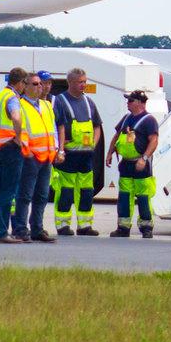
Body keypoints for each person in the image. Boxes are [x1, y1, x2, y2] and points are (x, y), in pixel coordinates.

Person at [52, 67, 104, 237]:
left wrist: (94, 145)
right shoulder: (59, 101)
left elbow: (97, 126)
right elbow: (54, 126)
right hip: (67, 157)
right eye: (80, 82)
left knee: (86, 191)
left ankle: (85, 226)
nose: (84, 85)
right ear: (70, 82)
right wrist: (59, 147)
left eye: (85, 81)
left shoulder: (89, 102)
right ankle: (63, 226)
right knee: (65, 192)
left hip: (86, 157)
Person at [0, 67, 30, 244]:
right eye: (25, 84)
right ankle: (1, 232)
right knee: (8, 191)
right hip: (11, 148)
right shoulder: (12, 98)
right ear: (20, 82)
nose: (25, 87)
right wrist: (18, 138)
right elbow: (16, 117)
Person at [14, 71, 59, 243]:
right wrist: (27, 150)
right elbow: (19, 131)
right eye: (35, 84)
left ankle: (37, 228)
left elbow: (52, 128)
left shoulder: (46, 105)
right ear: (25, 86)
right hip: (30, 157)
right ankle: (20, 229)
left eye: (40, 84)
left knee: (42, 195)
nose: (40, 87)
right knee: (25, 195)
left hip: (46, 156)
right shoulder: (20, 105)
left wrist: (56, 148)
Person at [110, 89, 161, 238]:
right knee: (125, 196)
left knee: (143, 197)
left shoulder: (149, 120)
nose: (128, 102)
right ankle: (123, 228)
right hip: (126, 164)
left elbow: (154, 141)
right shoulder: (126, 118)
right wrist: (109, 153)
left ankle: (146, 228)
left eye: (131, 100)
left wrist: (144, 159)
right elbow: (117, 136)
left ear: (140, 103)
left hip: (141, 165)